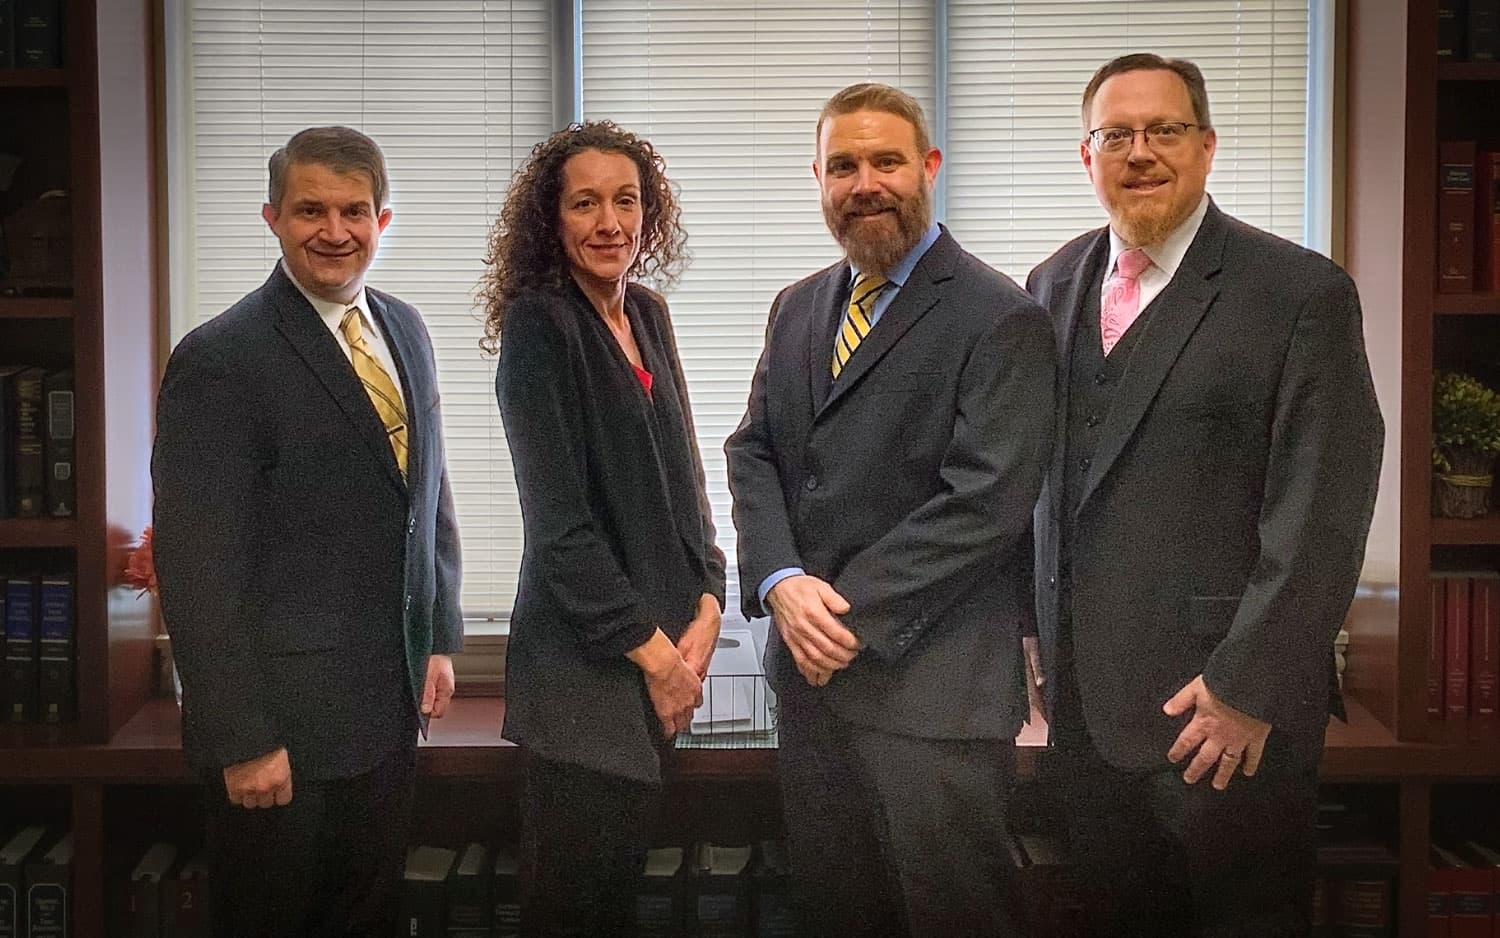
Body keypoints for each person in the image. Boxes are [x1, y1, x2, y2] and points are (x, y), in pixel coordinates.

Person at [1026, 53, 1384, 937]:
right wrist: (1032, 638)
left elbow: (1325, 510)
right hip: (1087, 722)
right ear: (1087, 156)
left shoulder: (1299, 294)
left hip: (1225, 719)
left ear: (1208, 145)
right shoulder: (1051, 286)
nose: (1140, 152)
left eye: (1165, 130)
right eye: (1116, 135)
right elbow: (1043, 483)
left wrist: (1246, 686)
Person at [725, 83, 1056, 937]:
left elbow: (985, 501)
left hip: (934, 704)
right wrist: (779, 579)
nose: (865, 183)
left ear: (929, 167)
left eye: (886, 162)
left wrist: (834, 617)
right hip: (814, 699)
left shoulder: (1001, 317)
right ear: (819, 179)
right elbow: (754, 451)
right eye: (843, 165)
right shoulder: (799, 307)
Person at [151, 126, 463, 937]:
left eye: (354, 211)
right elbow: (196, 568)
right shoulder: (221, 358)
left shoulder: (405, 329)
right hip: (281, 737)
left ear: (382, 220)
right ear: (273, 218)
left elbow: (427, 495)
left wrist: (437, 637)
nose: (335, 231)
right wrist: (242, 739)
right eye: (310, 211)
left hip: (387, 718)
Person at [481, 120, 726, 936]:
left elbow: (686, 479)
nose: (609, 222)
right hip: (583, 688)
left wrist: (709, 602)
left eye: (626, 201)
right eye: (585, 204)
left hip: (656, 677)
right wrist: (661, 660)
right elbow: (561, 532)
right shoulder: (539, 328)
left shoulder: (646, 313)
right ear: (551, 221)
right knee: (573, 914)